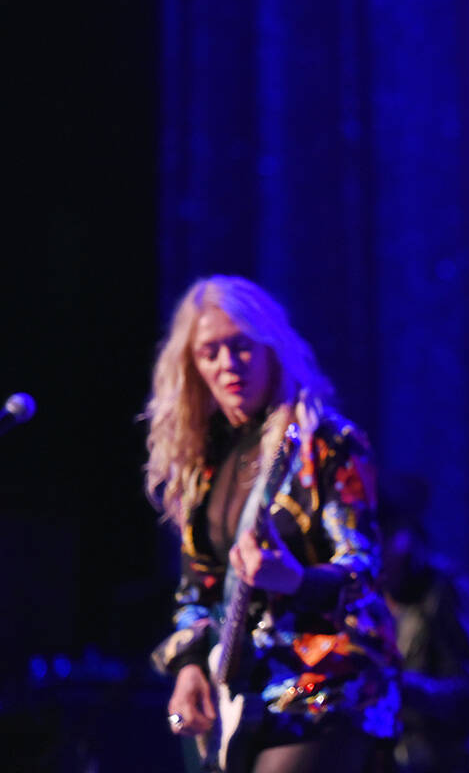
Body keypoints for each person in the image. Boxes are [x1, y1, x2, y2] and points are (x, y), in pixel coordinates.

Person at [145, 275, 400, 773]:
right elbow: (197, 589)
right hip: (243, 698)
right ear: (192, 366)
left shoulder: (324, 442)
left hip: (328, 687)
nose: (227, 364)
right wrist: (190, 665)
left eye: (241, 347)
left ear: (271, 350)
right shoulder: (204, 465)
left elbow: (364, 569)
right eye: (209, 353)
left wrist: (297, 580)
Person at [376, 473, 469, 773]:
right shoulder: (371, 596)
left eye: (386, 537)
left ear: (409, 535)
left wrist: (396, 685)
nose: (377, 553)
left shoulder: (446, 591)